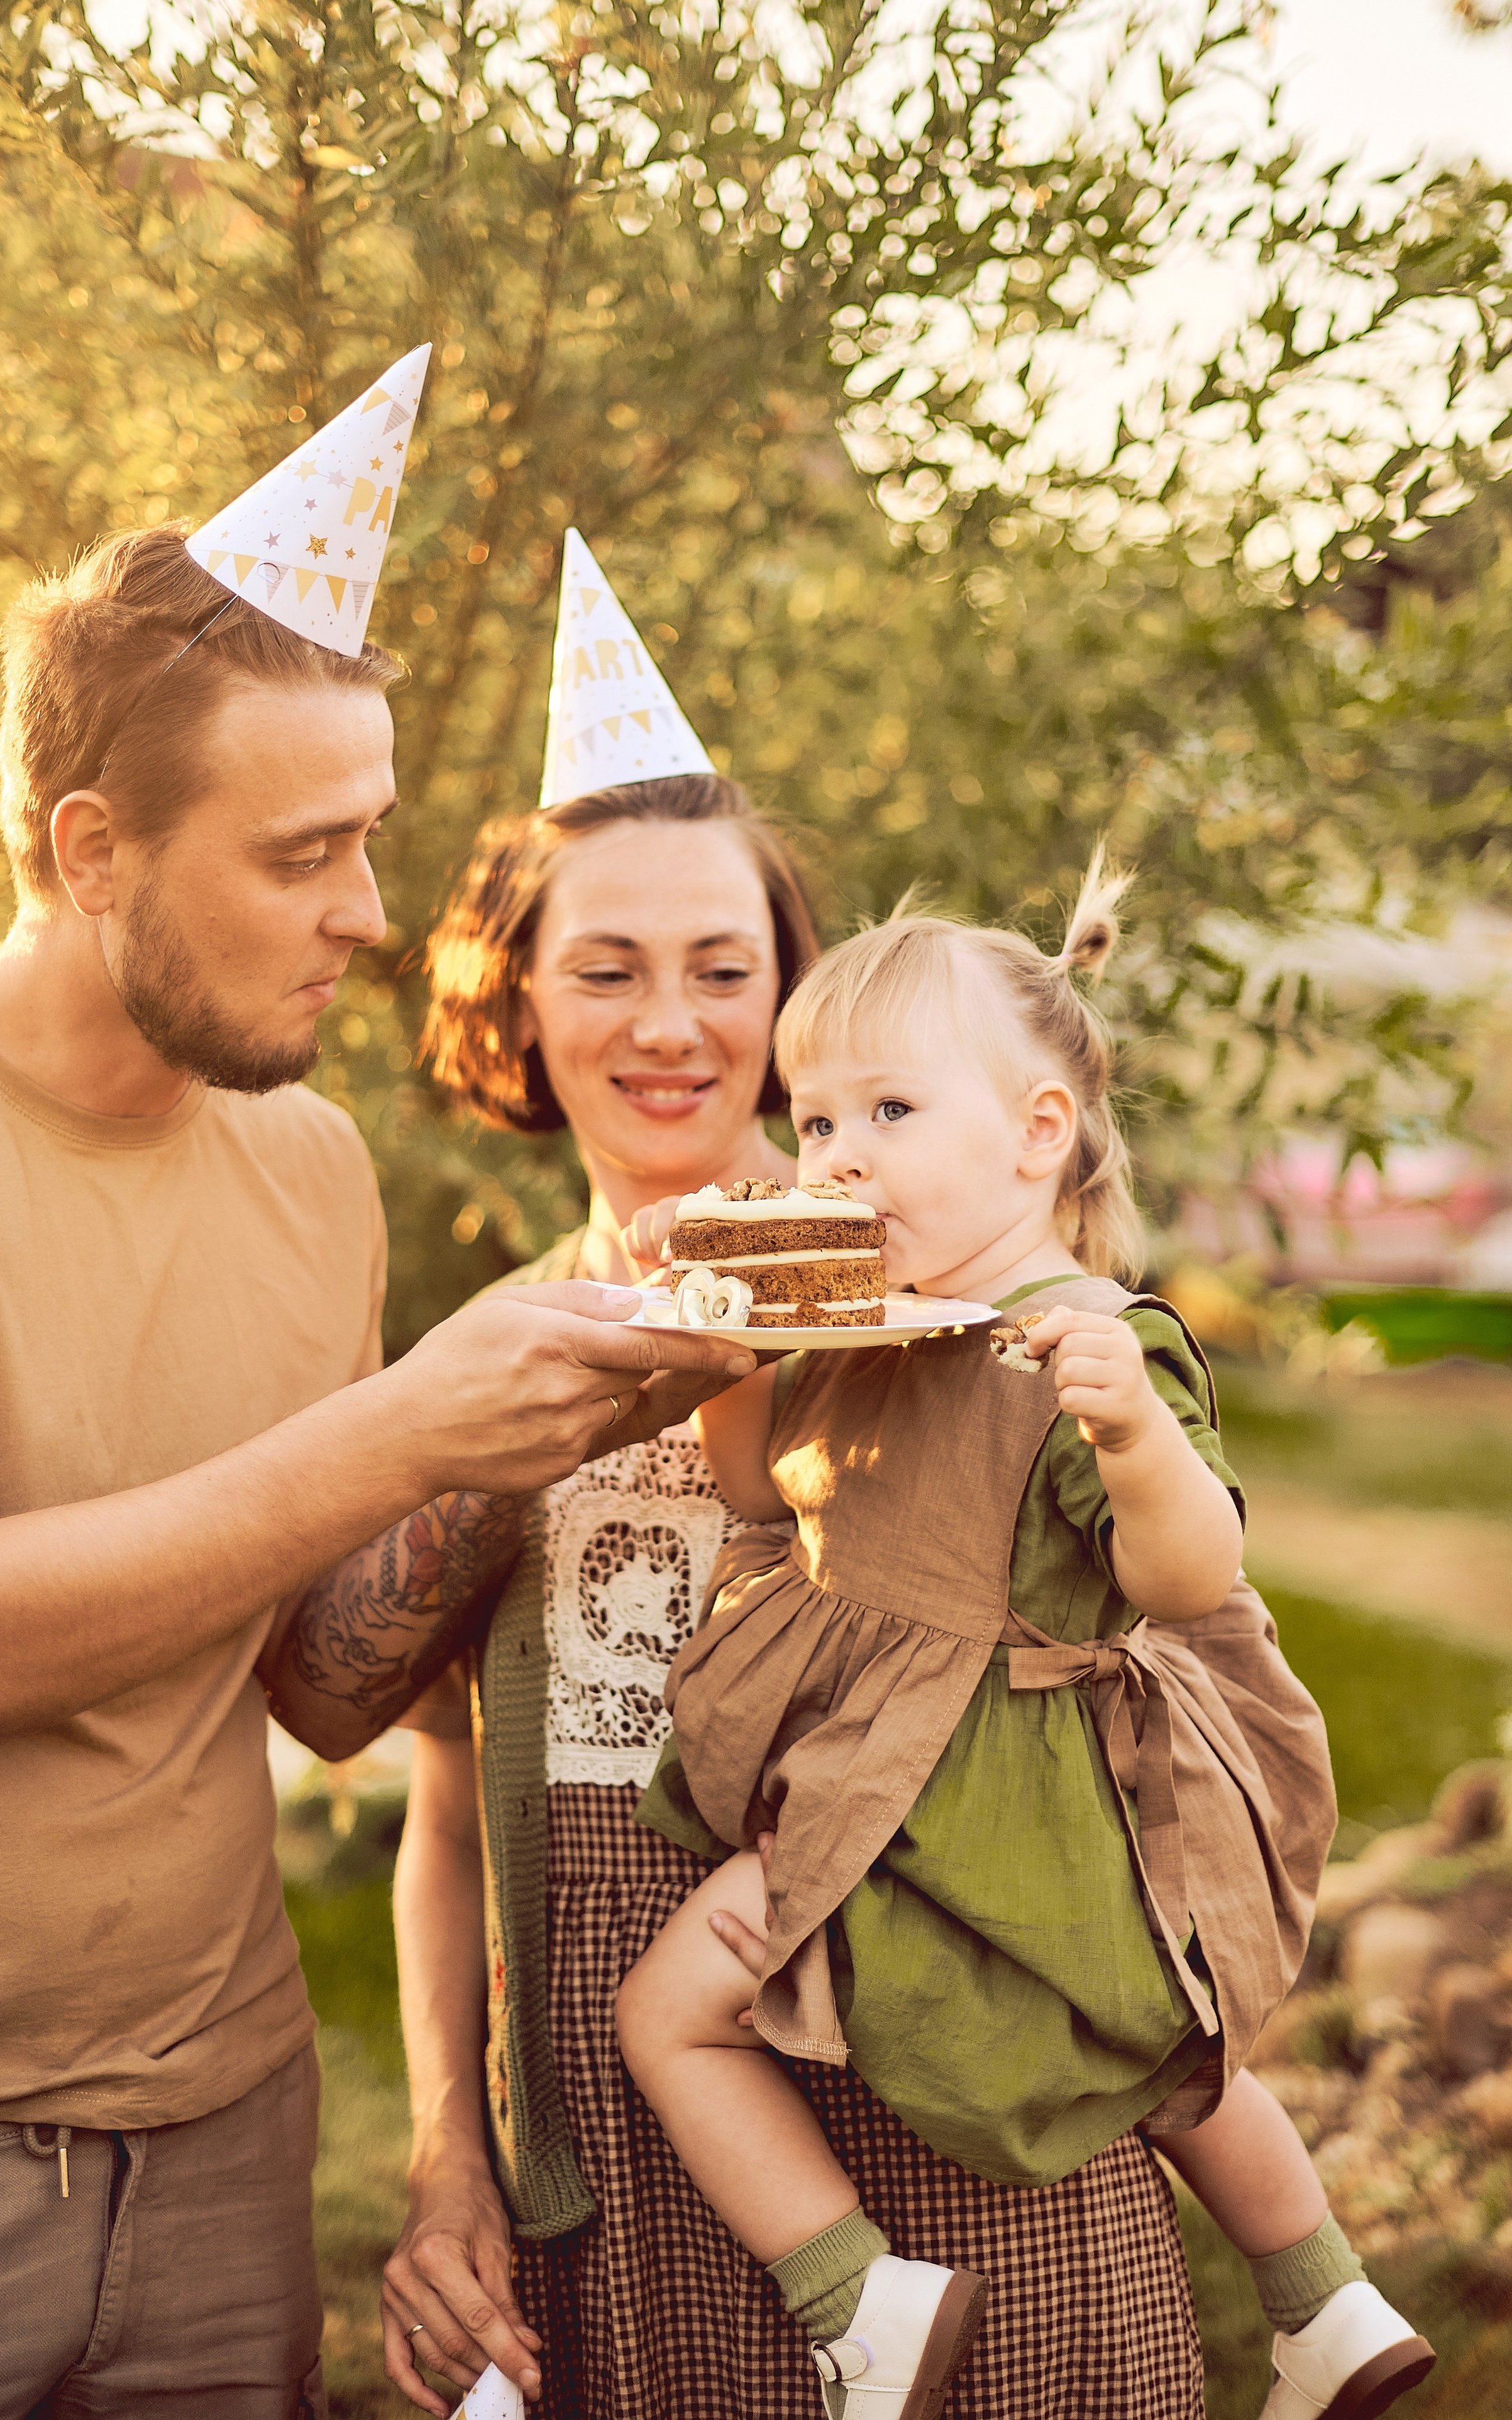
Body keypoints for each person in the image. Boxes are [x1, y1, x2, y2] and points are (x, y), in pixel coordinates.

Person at [0, 525, 756, 2420]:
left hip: (228, 2136)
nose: (368, 912)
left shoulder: (311, 1176)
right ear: (91, 850)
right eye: (303, 855)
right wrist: (404, 1430)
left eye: (364, 837)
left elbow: (311, 1679)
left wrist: (535, 1451)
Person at [382, 793, 1217, 2420]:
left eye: (723, 967)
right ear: (519, 997)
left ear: (792, 999)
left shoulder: (961, 1305)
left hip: (966, 2112)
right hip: (630, 2160)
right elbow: (441, 1804)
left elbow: (1145, 1683)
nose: (672, 1024)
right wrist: (446, 2155)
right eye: (608, 969)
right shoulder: (488, 1360)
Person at [614, 873, 1435, 2420]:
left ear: (1036, 1133)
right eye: (812, 1123)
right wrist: (727, 1340)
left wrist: (1128, 1428)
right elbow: (749, 1491)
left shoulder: (1073, 1335)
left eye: (889, 1111)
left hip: (990, 1795)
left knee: (671, 2008)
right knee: (1148, 2049)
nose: (838, 1154)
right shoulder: (872, 1328)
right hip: (915, 1788)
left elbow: (1185, 1573)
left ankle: (857, 2303)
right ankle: (1322, 2301)